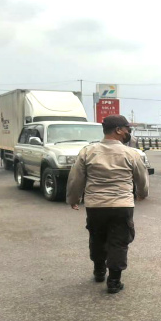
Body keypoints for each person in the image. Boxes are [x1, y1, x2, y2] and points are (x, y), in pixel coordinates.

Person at [66, 115, 149, 293]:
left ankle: (99, 271)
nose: (129, 133)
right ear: (118, 130)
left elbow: (76, 179)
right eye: (128, 129)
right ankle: (114, 281)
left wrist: (74, 199)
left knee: (97, 237)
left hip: (95, 205)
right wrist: (142, 194)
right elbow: (142, 179)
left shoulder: (88, 151)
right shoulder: (131, 153)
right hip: (122, 205)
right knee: (119, 241)